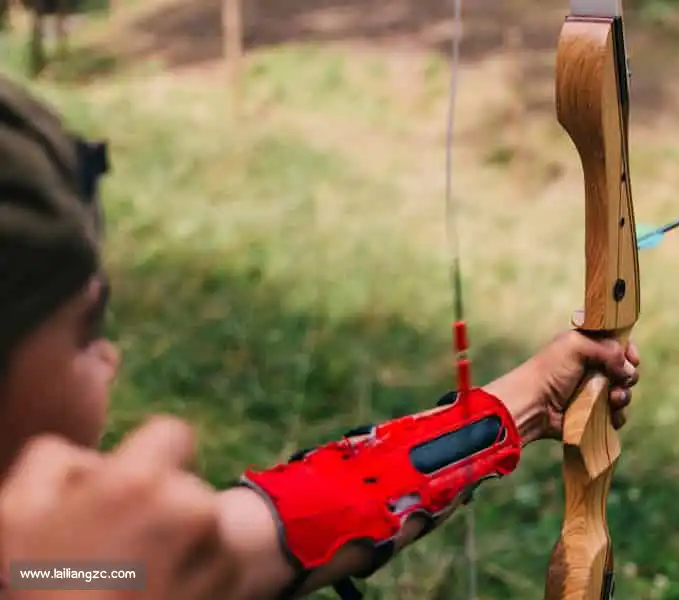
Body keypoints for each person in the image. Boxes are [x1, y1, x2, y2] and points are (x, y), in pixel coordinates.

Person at [0, 76, 641, 599]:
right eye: (87, 332)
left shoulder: (53, 566)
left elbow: (287, 526)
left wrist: (524, 401)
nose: (109, 356)